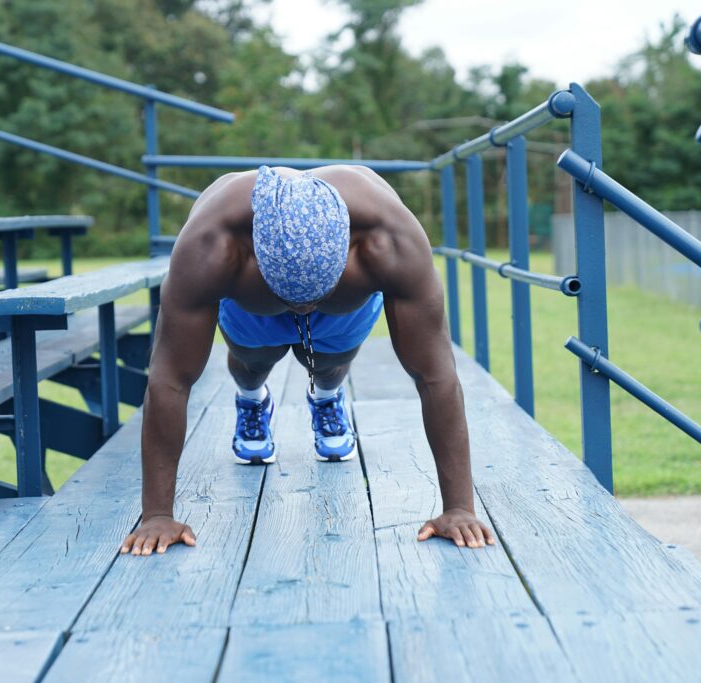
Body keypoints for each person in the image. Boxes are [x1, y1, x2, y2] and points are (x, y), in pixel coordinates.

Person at [120, 165, 496, 556]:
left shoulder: (390, 240)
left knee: (330, 362)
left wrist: (458, 508)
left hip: (345, 300)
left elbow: (434, 374)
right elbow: (170, 379)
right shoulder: (210, 246)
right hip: (251, 300)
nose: (302, 309)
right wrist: (157, 515)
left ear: (349, 246)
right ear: (253, 250)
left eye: (314, 298)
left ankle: (327, 395)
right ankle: (252, 400)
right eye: (292, 299)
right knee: (252, 360)